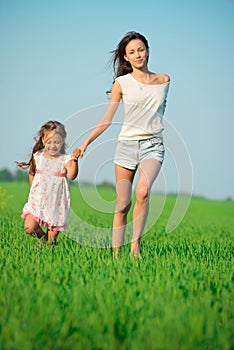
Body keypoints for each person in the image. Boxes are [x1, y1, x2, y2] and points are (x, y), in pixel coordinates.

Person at [74, 31, 170, 258]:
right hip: (126, 145)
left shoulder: (164, 80)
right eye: (132, 52)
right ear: (125, 57)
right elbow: (107, 119)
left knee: (143, 192)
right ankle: (116, 254)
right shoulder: (122, 83)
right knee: (122, 203)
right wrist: (85, 143)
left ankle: (135, 246)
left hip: (152, 144)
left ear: (148, 50)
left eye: (141, 50)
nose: (138, 55)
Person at [17, 120, 80, 245]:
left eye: (56, 142)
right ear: (43, 141)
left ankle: (47, 247)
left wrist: (75, 160)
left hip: (57, 206)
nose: (53, 145)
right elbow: (32, 172)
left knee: (50, 244)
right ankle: (45, 240)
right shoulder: (38, 157)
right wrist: (34, 190)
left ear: (62, 142)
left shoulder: (64, 159)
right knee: (29, 227)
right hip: (38, 203)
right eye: (49, 142)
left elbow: (72, 176)